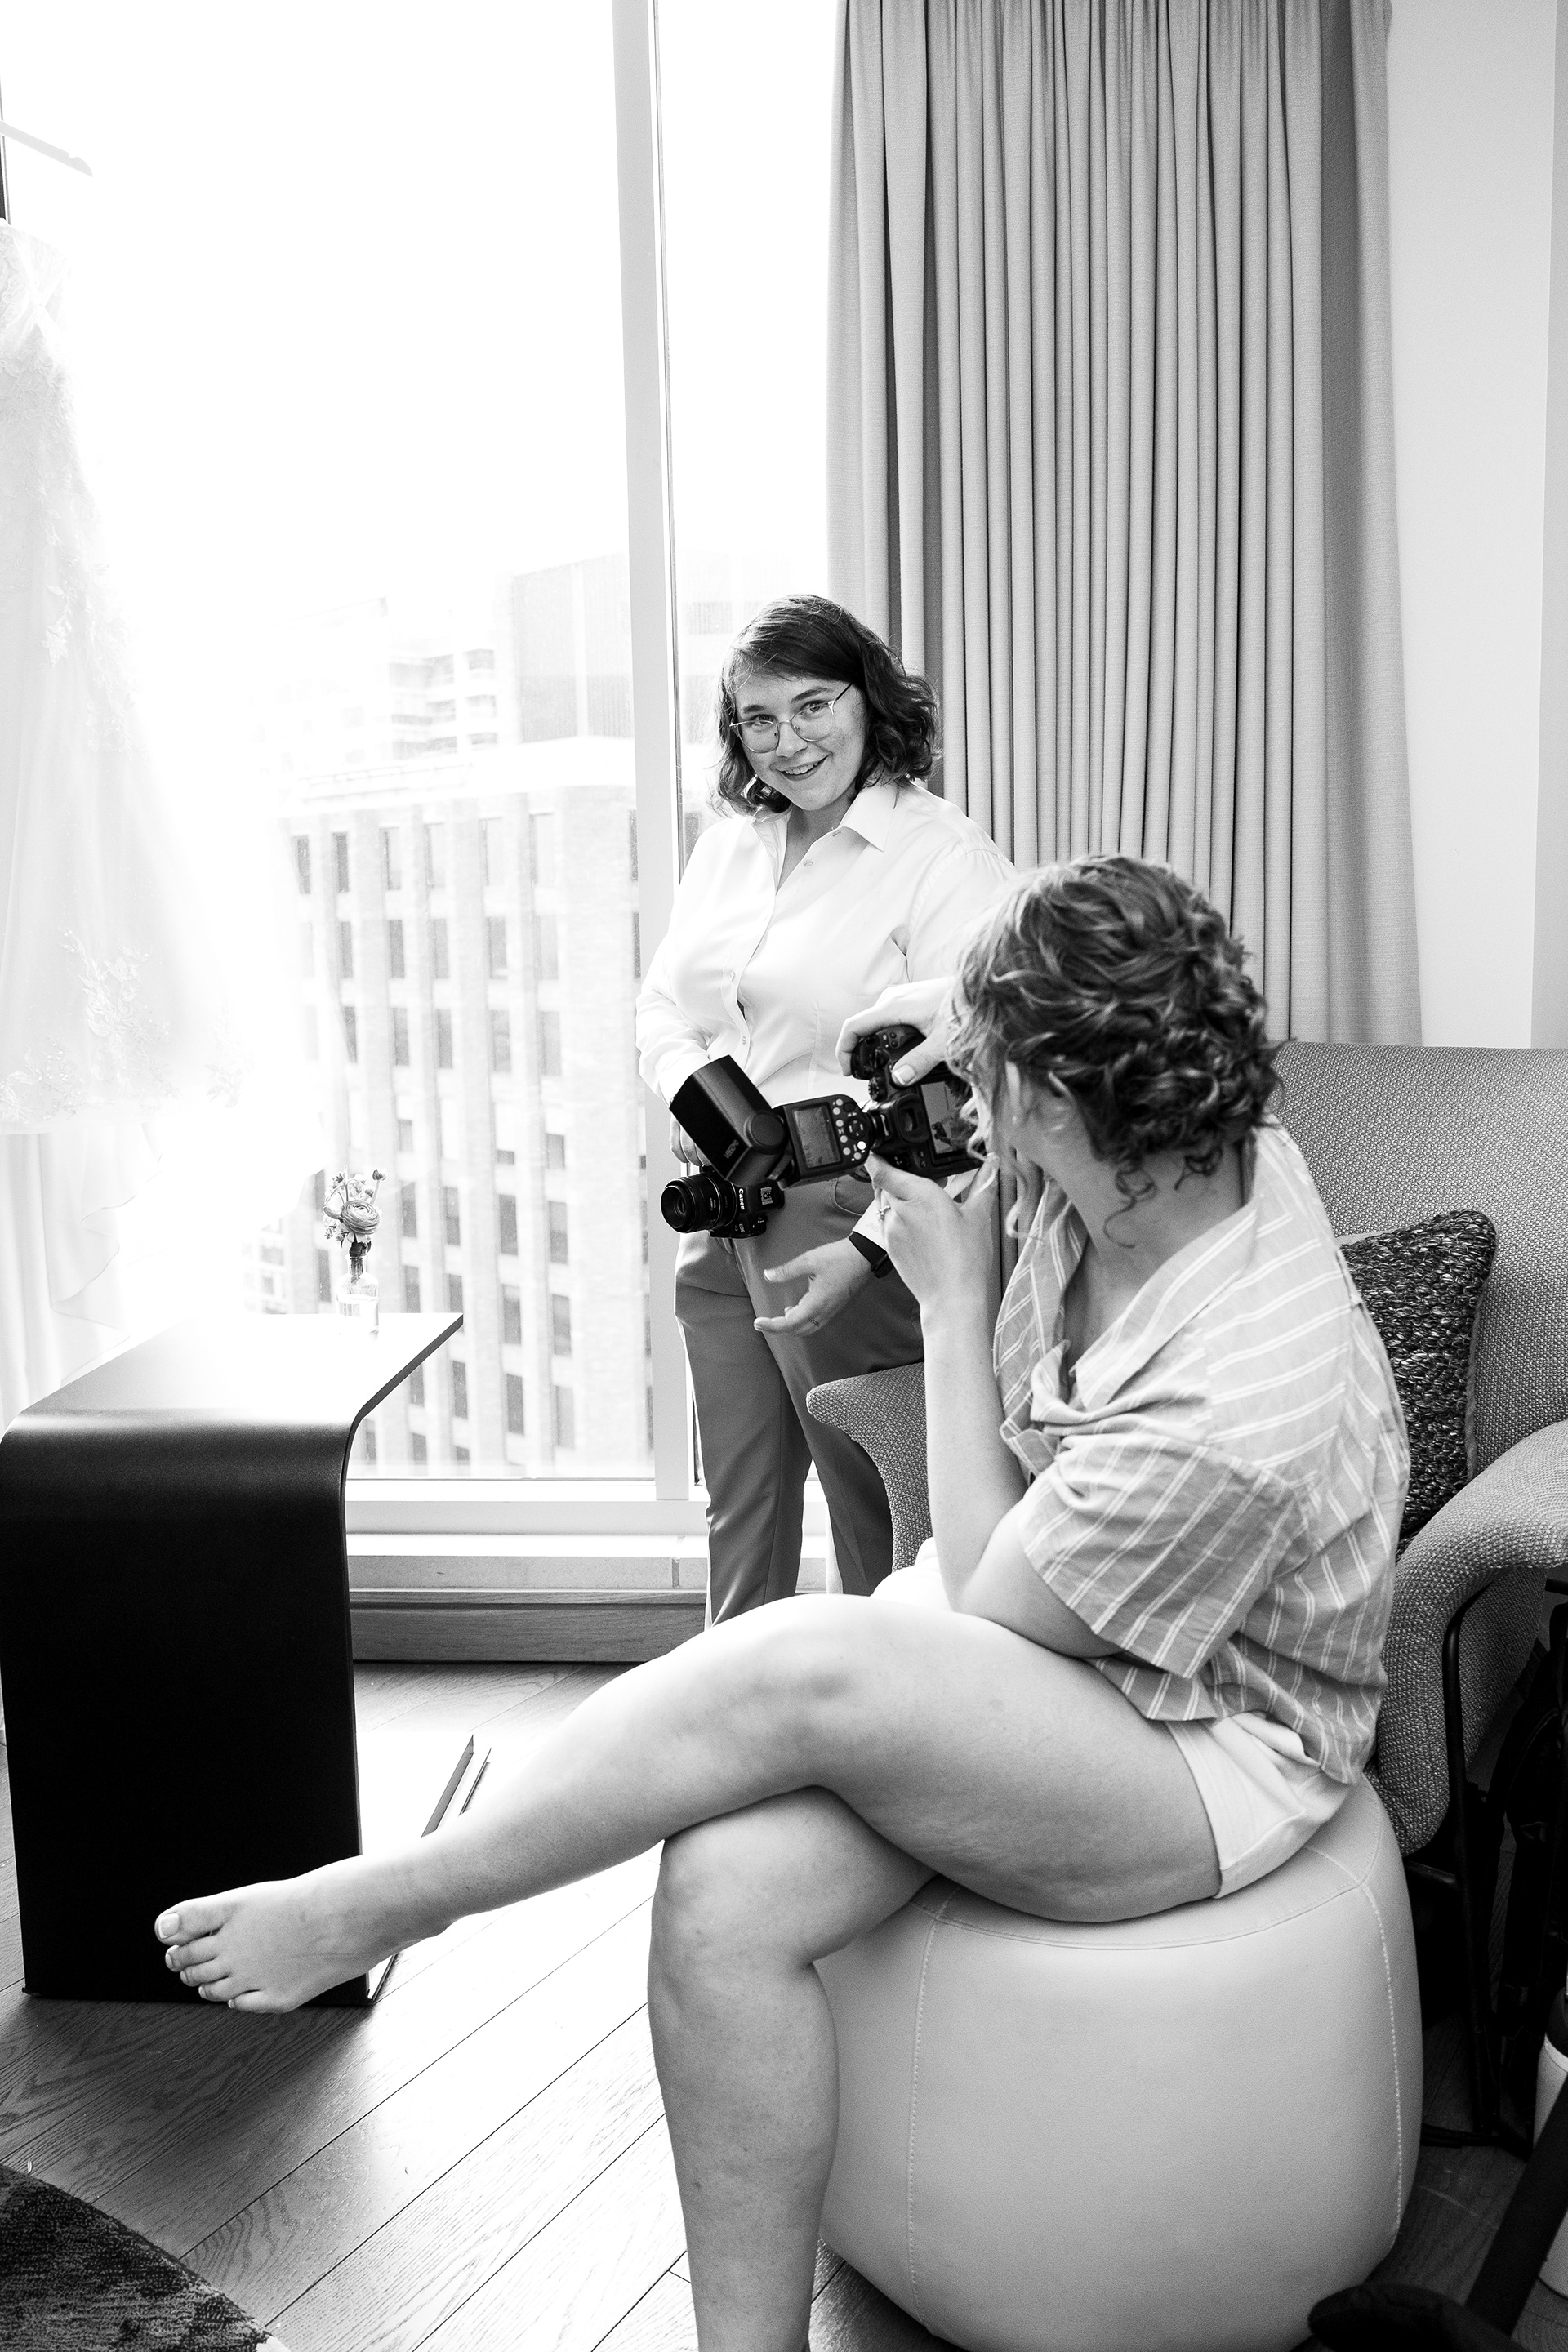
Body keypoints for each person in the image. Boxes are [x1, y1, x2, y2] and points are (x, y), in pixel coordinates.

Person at [154, 856, 1406, 2352]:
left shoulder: (1239, 1397)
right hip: (1080, 1632)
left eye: (997, 1087)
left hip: (1207, 1745)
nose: (978, 1104)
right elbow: (1004, 999)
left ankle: (402, 1899)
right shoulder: (1176, 1108)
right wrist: (934, 1052)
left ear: (1064, 1106)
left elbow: (993, 1601)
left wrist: (948, 1298)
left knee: (810, 1662)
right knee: (723, 1895)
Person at [635, 592, 1013, 1619]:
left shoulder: (941, 857)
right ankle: (734, 1704)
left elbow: (975, 1081)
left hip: (851, 1218)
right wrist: (705, 1103)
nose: (788, 741)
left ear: (868, 700)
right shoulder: (729, 849)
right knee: (742, 1508)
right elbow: (663, 1005)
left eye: (813, 706)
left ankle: (891, 1706)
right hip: (723, 1205)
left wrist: (873, 1250)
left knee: (876, 1513)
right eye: (759, 718)